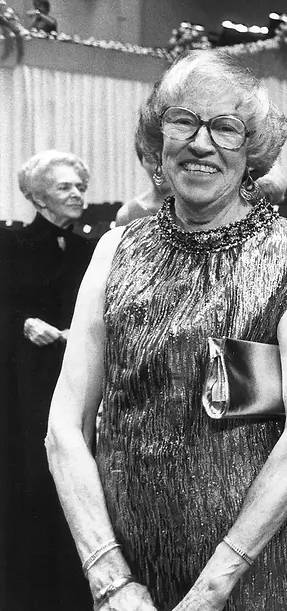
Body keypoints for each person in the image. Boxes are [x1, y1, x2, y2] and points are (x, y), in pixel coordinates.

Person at [45, 49, 287, 611]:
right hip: (130, 564)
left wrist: (216, 585)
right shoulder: (115, 249)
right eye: (183, 121)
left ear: (252, 151)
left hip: (257, 567)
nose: (202, 143)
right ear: (158, 140)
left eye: (226, 128)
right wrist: (110, 580)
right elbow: (64, 428)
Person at [1, 150, 96, 610]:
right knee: (33, 483)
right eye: (65, 187)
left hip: (75, 379)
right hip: (25, 382)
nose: (77, 194)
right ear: (38, 198)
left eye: (79, 185)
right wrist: (22, 323)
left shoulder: (89, 249)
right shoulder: (10, 245)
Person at [113, 143, 174, 226]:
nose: (159, 169)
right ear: (142, 162)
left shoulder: (196, 209)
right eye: (151, 160)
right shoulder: (127, 215)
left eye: (165, 159)